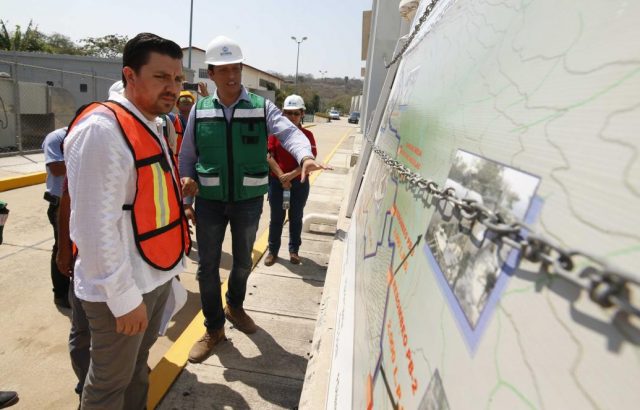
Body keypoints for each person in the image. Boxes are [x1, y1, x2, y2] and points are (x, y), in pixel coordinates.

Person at [179, 35, 329, 364]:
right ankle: (214, 328)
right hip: (209, 201)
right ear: (212, 73)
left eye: (236, 69)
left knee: (244, 261)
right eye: (224, 70)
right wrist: (185, 185)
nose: (231, 76)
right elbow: (187, 154)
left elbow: (289, 133)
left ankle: (235, 304)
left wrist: (304, 156)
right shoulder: (199, 111)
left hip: (248, 201)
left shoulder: (261, 108)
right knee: (206, 269)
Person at [64, 33, 191, 409]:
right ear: (129, 75)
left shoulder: (150, 121)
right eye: (161, 77)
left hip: (152, 277)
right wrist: (122, 299)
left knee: (137, 371)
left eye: (178, 79)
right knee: (108, 386)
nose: (172, 88)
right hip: (121, 291)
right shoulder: (102, 130)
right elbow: (92, 228)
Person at [264, 95, 317, 266]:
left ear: (302, 113)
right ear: (282, 113)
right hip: (277, 184)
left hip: (299, 184)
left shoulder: (308, 135)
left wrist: (291, 176)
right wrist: (281, 176)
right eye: (287, 113)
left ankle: (294, 251)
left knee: (296, 217)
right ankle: (272, 251)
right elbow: (269, 156)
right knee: (276, 218)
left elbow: (310, 161)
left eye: (295, 113)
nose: (292, 117)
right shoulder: (275, 135)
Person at [42, 127, 71, 309]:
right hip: (59, 203)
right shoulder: (56, 137)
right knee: (61, 246)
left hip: (79, 203)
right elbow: (56, 168)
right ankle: (61, 294)